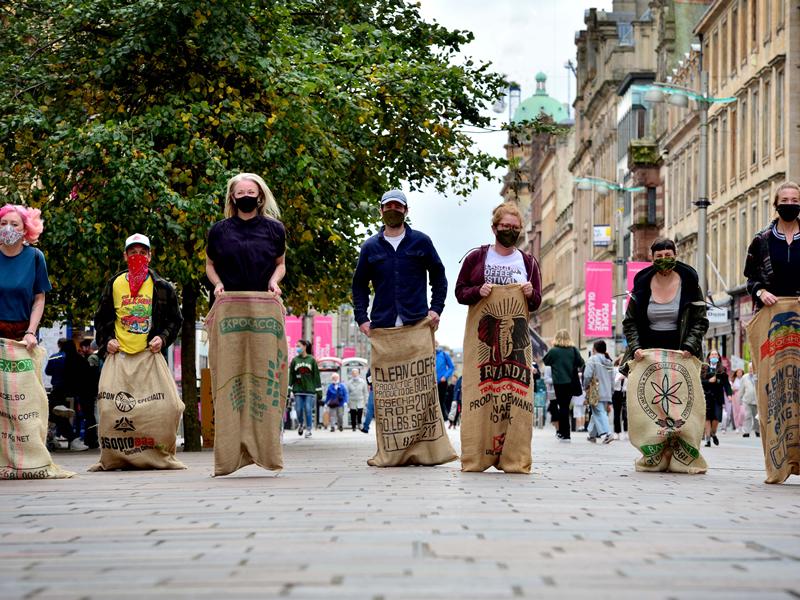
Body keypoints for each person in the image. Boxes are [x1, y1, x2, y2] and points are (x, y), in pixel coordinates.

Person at [352, 189, 446, 336]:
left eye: (398, 207)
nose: (393, 210)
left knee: (422, 360)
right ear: (381, 211)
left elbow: (438, 276)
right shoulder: (370, 247)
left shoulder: (421, 242)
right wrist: (361, 318)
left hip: (418, 324)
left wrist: (436, 308)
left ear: (406, 210)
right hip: (382, 327)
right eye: (388, 207)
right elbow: (359, 285)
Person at [621, 238, 708, 372]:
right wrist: (636, 348)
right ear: (652, 258)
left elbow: (700, 321)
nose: (664, 259)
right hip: (648, 354)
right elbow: (629, 321)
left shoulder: (690, 285)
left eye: (668, 255)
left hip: (681, 353)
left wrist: (690, 346)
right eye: (659, 256)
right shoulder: (641, 286)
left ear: (675, 256)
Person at [95, 234, 182, 359]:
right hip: (119, 356)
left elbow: (176, 320)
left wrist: (163, 339)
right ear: (125, 256)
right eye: (133, 253)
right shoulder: (114, 284)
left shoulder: (162, 287)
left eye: (143, 253)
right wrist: (107, 341)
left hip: (150, 356)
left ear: (149, 256)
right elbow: (100, 320)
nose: (138, 256)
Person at [206, 173, 286, 298]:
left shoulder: (275, 229)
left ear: (259, 195)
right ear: (233, 197)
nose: (246, 196)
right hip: (228, 302)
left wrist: (274, 282)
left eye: (251, 192)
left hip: (264, 302)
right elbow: (209, 265)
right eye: (240, 193)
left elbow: (280, 264)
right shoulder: (218, 230)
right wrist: (218, 283)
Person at [454, 201, 542, 313]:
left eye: (515, 228)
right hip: (482, 327)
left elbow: (536, 302)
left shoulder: (530, 263)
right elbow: (460, 292)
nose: (511, 231)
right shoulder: (475, 258)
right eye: (506, 226)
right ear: (494, 229)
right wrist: (478, 291)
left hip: (515, 328)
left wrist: (531, 294)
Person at [0, 204, 50, 350]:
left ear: (25, 230)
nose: (7, 228)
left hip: (21, 336)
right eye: (3, 223)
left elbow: (39, 298)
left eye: (14, 224)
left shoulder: (35, 257)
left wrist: (31, 332)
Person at [744, 181, 800, 310]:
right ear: (776, 204)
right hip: (770, 313)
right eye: (784, 200)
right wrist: (761, 292)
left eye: (795, 200)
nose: (789, 204)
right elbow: (750, 279)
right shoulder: (761, 240)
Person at [45, 338, 88, 451]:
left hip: (56, 389)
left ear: (59, 345)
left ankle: (51, 436)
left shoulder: (54, 356)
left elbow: (47, 371)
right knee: (61, 415)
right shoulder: (75, 357)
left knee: (55, 412)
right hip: (70, 392)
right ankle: (72, 439)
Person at [543, 329, 583, 443]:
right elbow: (581, 362)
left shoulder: (554, 351)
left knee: (562, 407)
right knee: (566, 407)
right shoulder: (573, 350)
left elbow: (546, 361)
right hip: (571, 382)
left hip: (559, 383)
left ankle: (564, 434)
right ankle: (565, 433)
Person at [288, 339, 322, 438]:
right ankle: (301, 424)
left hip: (309, 390)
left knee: (308, 408)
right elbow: (291, 376)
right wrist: (289, 389)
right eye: (296, 346)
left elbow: (316, 376)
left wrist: (319, 391)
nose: (297, 348)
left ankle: (308, 429)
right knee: (298, 409)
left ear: (305, 346)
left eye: (299, 346)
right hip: (298, 390)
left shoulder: (312, 360)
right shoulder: (295, 360)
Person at [583, 340, 615, 444]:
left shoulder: (593, 359)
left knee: (599, 412)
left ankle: (607, 433)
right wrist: (612, 391)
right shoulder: (609, 361)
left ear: (595, 349)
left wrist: (585, 386)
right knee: (597, 412)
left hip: (595, 392)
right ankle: (592, 435)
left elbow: (587, 375)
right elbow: (612, 379)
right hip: (607, 391)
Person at [701, 349, 731, 447]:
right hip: (706, 397)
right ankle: (708, 440)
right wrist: (709, 381)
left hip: (718, 397)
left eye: (716, 355)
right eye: (712, 354)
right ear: (709, 357)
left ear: (718, 357)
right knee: (707, 418)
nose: (714, 356)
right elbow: (699, 381)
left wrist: (729, 394)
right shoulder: (704, 368)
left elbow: (726, 384)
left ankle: (713, 433)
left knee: (717, 418)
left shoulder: (722, 369)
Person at [740, 363, 759, 438]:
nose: (751, 369)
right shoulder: (745, 377)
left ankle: (757, 431)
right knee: (747, 416)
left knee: (757, 417)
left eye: (752, 368)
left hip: (756, 400)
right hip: (747, 400)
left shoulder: (758, 375)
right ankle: (746, 432)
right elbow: (741, 389)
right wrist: (740, 398)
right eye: (750, 368)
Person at [435, 345, 455, 419]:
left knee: (440, 401)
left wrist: (445, 376)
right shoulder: (428, 354)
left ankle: (443, 418)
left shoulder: (443, 354)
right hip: (430, 382)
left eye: (436, 344)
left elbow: (451, 367)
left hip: (442, 382)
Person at [612, 357, 628, 440]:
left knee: (626, 414)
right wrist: (618, 378)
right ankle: (616, 432)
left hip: (626, 393)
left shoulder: (629, 370)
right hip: (617, 392)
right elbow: (613, 382)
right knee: (616, 414)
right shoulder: (615, 370)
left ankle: (626, 431)